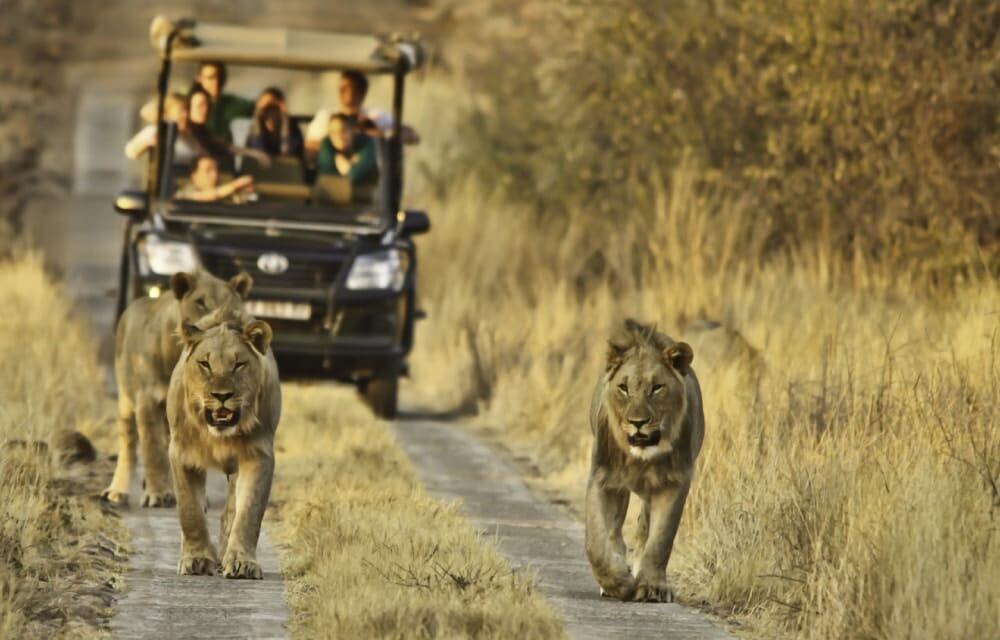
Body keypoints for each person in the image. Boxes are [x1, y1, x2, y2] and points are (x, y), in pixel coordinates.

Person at [304, 71, 418, 157]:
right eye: (342, 88)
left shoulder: (376, 116)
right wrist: (337, 139)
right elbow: (310, 145)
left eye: (350, 88)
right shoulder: (326, 116)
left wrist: (379, 136)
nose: (345, 93)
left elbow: (412, 135)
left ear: (362, 91)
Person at [187, 83, 271, 169]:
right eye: (200, 105)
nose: (205, 109)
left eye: (206, 105)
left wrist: (256, 154)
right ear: (189, 108)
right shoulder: (186, 133)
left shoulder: (204, 133)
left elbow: (224, 146)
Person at [196, 61, 254, 142]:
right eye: (210, 77)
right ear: (199, 79)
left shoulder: (232, 104)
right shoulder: (188, 104)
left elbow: (258, 108)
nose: (216, 82)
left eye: (219, 77)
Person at [316, 113, 378, 185]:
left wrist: (347, 169)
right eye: (333, 132)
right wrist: (351, 168)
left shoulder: (367, 143)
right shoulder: (326, 143)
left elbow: (355, 176)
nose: (338, 135)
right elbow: (326, 175)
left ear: (354, 131)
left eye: (343, 130)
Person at [245, 87, 304, 158]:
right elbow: (258, 156)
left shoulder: (292, 127)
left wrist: (284, 119)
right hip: (263, 166)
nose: (269, 112)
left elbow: (288, 154)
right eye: (265, 108)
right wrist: (257, 116)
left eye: (273, 107)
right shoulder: (255, 129)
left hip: (285, 167)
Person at [174, 154, 255, 203]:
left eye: (216, 170)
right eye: (208, 170)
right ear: (194, 175)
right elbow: (204, 197)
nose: (215, 174)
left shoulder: (227, 193)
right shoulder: (183, 194)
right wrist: (234, 185)